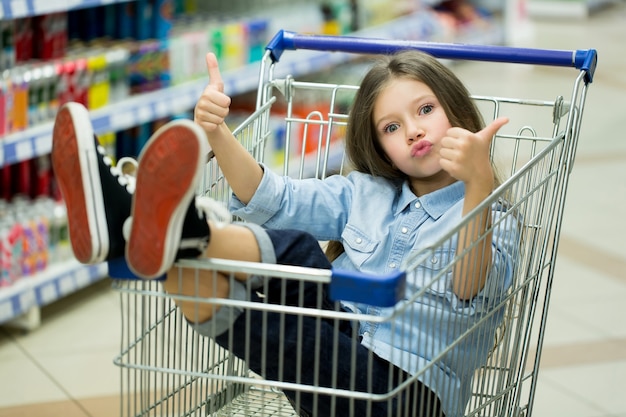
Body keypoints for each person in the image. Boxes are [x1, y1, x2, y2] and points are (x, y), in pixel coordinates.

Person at [51, 48, 520, 417]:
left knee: (294, 254)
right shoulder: (364, 194)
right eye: (392, 127)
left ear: (454, 108)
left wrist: (478, 183)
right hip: (334, 364)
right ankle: (146, 232)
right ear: (381, 148)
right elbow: (276, 198)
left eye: (425, 110)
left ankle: (138, 223)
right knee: (281, 266)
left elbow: (467, 285)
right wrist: (218, 132)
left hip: (407, 397)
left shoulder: (497, 218)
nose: (414, 131)